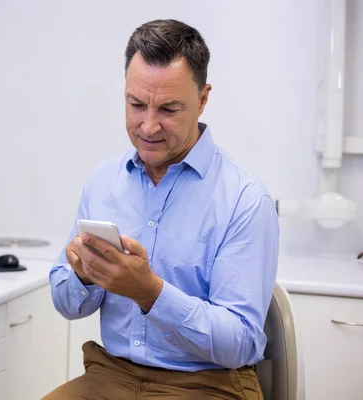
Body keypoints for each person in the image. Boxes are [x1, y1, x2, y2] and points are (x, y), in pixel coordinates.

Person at [44, 19, 278, 400]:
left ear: (202, 99)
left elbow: (242, 342)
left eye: (169, 108)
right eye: (136, 104)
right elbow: (67, 305)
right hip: (111, 374)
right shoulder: (104, 181)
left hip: (209, 382)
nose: (148, 126)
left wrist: (151, 293)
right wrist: (83, 276)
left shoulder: (245, 199)